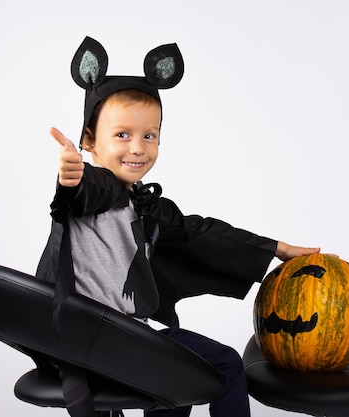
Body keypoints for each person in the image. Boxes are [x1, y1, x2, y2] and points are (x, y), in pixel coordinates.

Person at [36, 37, 320, 417]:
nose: (138, 147)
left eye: (149, 135)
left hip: (125, 336)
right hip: (91, 338)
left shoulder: (144, 205)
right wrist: (71, 178)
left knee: (195, 373)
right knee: (212, 368)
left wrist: (276, 248)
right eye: (122, 134)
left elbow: (200, 233)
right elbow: (80, 192)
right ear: (89, 140)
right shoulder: (99, 187)